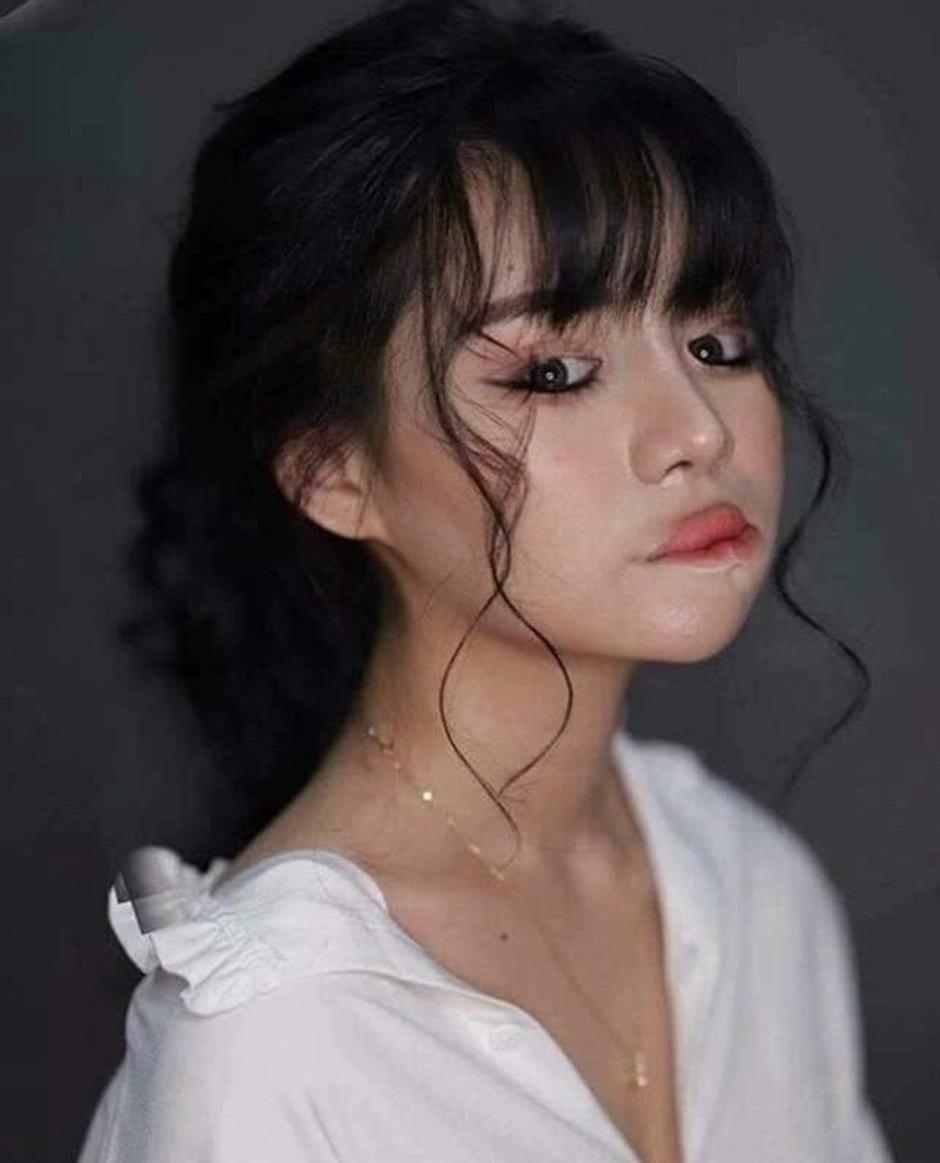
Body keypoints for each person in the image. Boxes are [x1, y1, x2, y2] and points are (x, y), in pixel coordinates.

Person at [77, 1, 894, 1160]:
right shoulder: (271, 1040)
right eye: (554, 371)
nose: (698, 431)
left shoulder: (751, 889)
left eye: (716, 344)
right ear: (332, 471)